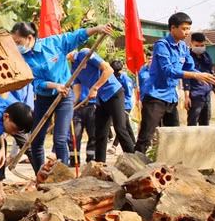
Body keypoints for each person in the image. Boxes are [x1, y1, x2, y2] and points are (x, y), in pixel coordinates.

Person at [11, 21, 113, 174]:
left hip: (65, 97)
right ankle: (40, 177)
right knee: (36, 140)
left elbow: (78, 36)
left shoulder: (53, 43)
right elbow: (36, 82)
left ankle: (62, 178)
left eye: (18, 42)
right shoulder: (22, 59)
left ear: (30, 38)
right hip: (44, 98)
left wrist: (99, 28)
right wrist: (54, 86)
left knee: (59, 139)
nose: (17, 46)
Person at [135, 13, 215, 153]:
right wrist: (196, 75)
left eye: (189, 28)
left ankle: (169, 168)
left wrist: (212, 78)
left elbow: (190, 68)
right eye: (184, 29)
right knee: (146, 136)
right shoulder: (162, 45)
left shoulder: (183, 47)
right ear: (173, 28)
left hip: (171, 97)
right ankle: (135, 168)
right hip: (155, 97)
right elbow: (168, 70)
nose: (187, 32)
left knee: (173, 136)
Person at [72, 49, 135, 162]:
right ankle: (100, 163)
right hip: (101, 100)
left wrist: (95, 87)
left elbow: (108, 70)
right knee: (100, 132)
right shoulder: (74, 68)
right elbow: (77, 92)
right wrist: (70, 107)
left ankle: (134, 159)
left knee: (120, 128)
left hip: (113, 93)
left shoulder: (85, 53)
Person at [183, 32, 215, 126]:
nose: (199, 47)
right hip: (194, 96)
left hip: (206, 96)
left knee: (206, 124)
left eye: (202, 45)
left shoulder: (207, 57)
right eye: (197, 45)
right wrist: (186, 96)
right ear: (191, 44)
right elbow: (186, 78)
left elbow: (211, 77)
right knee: (192, 123)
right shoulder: (188, 57)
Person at [110, 59, 137, 152]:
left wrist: (122, 103)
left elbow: (129, 94)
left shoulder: (126, 79)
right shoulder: (111, 77)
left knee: (121, 126)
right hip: (115, 104)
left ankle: (114, 146)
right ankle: (133, 143)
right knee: (126, 125)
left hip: (125, 104)